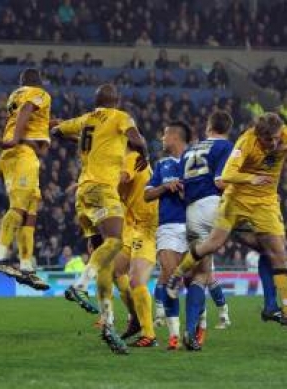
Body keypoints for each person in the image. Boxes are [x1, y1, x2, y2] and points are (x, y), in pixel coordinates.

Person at [52, 83, 149, 355]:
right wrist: (145, 153)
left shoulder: (85, 119)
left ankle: (108, 323)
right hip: (103, 188)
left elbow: (57, 131)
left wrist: (59, 126)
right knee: (116, 241)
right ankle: (79, 285)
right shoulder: (120, 117)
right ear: (116, 101)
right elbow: (138, 139)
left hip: (82, 193)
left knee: (103, 259)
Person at [168, 112, 276, 351]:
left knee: (201, 274)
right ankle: (271, 303)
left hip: (192, 211)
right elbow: (221, 181)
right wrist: (250, 182)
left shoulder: (190, 150)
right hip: (217, 207)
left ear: (208, 126)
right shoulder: (227, 146)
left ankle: (190, 332)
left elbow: (183, 189)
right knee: (268, 247)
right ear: (228, 128)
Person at [0, 68, 52, 291]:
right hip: (21, 153)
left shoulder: (14, 96)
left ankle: (26, 267)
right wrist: (15, 139)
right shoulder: (39, 93)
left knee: (30, 212)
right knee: (19, 206)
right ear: (38, 82)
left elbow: (30, 119)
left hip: (19, 155)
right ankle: (0, 257)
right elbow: (26, 110)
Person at [144, 121, 191, 350]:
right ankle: (174, 336)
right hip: (168, 226)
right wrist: (165, 188)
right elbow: (147, 195)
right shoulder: (161, 164)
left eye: (164, 134)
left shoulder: (194, 160)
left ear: (174, 137)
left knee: (194, 280)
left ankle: (198, 328)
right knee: (170, 275)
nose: (161, 139)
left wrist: (185, 190)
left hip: (195, 225)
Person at [110, 151, 159, 348]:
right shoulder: (122, 159)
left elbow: (122, 178)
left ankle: (149, 334)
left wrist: (98, 186)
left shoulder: (131, 157)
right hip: (131, 226)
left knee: (136, 280)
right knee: (114, 270)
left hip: (146, 227)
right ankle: (137, 318)